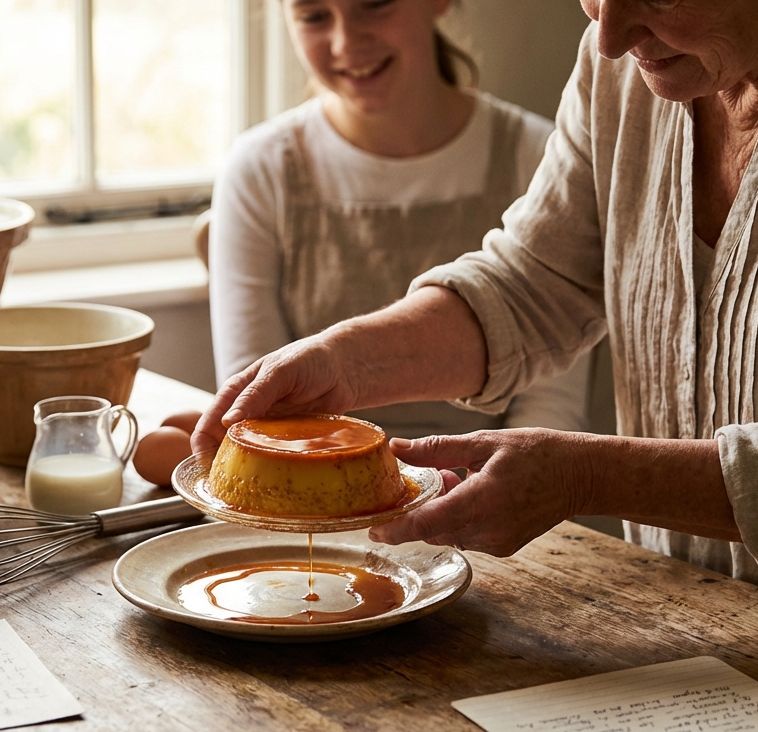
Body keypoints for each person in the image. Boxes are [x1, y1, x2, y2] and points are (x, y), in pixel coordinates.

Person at [195, 0, 758, 651]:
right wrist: (343, 360)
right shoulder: (625, 64)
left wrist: (584, 475)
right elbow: (534, 283)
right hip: (675, 634)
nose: (611, 36)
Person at [209, 0, 592, 440]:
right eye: (315, 16)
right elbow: (257, 404)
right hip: (315, 492)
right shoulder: (259, 168)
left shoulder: (541, 156)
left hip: (489, 483)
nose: (346, 43)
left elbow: (550, 409)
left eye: (374, 4)